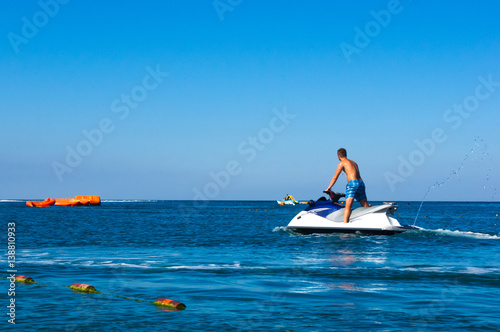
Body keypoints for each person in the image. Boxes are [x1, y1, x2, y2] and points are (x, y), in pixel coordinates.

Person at [325, 148, 369, 223]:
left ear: (339, 156)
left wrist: (328, 188)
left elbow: (335, 177)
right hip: (361, 183)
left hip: (352, 183)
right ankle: (369, 221)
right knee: (365, 206)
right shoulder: (354, 163)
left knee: (348, 206)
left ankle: (345, 225)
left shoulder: (342, 163)